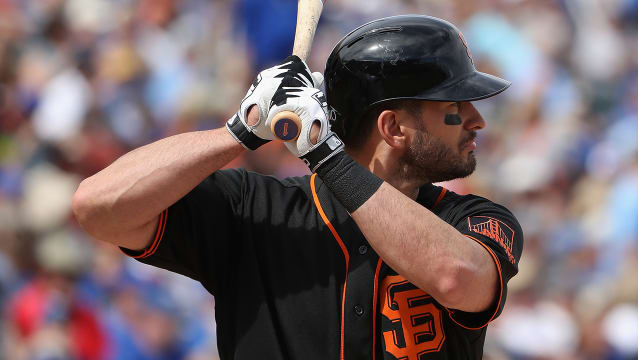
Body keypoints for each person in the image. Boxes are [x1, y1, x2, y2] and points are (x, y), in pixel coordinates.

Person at [73, 15, 523, 360]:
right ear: (394, 128)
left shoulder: (473, 220)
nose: (476, 119)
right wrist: (240, 130)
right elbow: (98, 206)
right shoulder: (253, 209)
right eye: (455, 106)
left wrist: (325, 157)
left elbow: (457, 277)